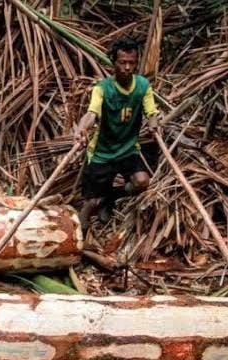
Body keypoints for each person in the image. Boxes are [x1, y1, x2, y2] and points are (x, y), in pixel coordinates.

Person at [73, 37, 160, 232]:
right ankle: (79, 235)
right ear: (114, 63)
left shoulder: (143, 86)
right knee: (91, 204)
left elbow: (152, 113)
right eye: (123, 62)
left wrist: (154, 125)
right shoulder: (102, 88)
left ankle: (112, 197)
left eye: (131, 63)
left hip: (128, 150)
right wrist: (81, 129)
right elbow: (91, 114)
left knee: (141, 181)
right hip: (102, 153)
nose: (127, 67)